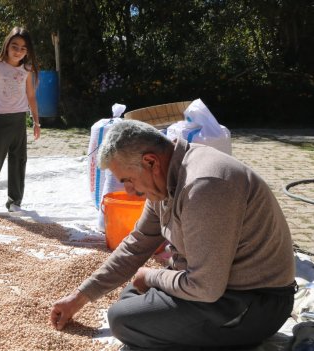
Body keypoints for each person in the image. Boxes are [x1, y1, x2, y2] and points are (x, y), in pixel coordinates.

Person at [49, 120, 296, 350]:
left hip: (255, 302)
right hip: (213, 289)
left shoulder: (204, 186)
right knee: (129, 302)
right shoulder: (163, 182)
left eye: (128, 180)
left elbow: (205, 288)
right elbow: (136, 246)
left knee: (123, 320)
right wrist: (79, 298)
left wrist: (153, 276)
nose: (130, 191)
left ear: (150, 162)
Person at [0, 26, 41, 213]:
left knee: (19, 160)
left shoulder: (27, 70)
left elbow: (31, 96)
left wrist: (36, 122)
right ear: (7, 45)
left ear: (28, 51)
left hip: (19, 121)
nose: (18, 51)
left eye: (23, 48)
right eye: (15, 46)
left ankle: (15, 201)